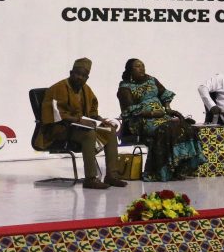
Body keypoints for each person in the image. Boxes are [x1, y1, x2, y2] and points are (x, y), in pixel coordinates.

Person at [38, 58, 127, 190]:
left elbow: (92, 111)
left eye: (84, 75)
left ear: (87, 78)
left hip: (80, 127)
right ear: (71, 73)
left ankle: (112, 175)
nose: (80, 77)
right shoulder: (57, 88)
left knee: (110, 130)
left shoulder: (86, 89)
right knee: (89, 134)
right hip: (59, 129)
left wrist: (100, 120)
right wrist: (78, 120)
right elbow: (55, 114)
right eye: (77, 74)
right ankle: (90, 179)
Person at [117, 59, 205, 181]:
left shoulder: (151, 80)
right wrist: (153, 113)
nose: (142, 68)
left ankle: (179, 168)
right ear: (130, 70)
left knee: (185, 127)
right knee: (167, 129)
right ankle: (163, 171)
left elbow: (164, 94)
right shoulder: (125, 88)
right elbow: (129, 110)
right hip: (141, 120)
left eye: (143, 66)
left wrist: (168, 109)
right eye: (138, 66)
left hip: (162, 116)